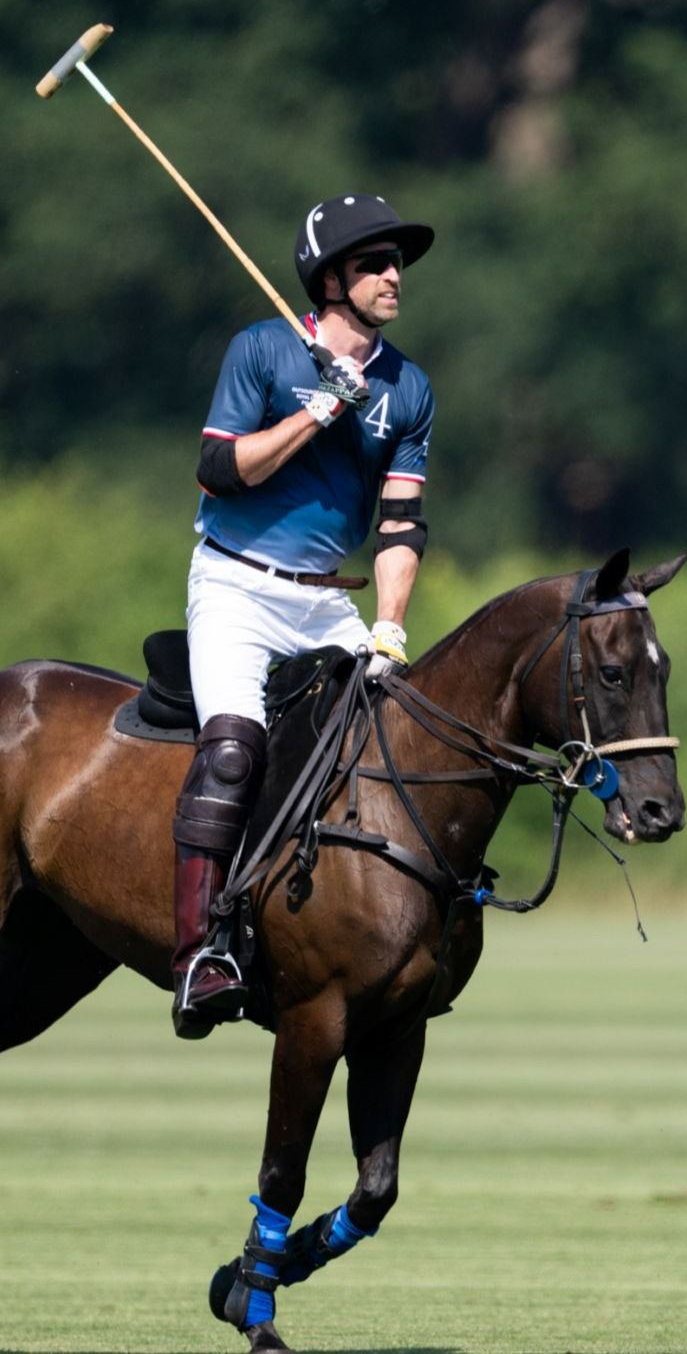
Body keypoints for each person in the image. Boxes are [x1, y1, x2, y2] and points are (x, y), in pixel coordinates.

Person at [169, 193, 436, 1038]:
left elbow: (399, 525)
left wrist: (390, 626)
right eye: (374, 264)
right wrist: (317, 411)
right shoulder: (263, 350)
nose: (394, 277)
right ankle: (200, 953)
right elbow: (217, 470)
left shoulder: (411, 388)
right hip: (237, 588)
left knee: (394, 747)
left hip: (329, 601)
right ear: (330, 280)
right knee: (233, 750)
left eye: (396, 263)